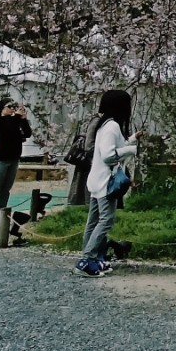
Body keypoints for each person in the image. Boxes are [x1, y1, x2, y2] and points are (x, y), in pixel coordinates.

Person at [75, 88, 139, 277]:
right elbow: (109, 156)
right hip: (105, 182)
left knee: (93, 221)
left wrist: (132, 140)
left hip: (96, 179)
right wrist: (131, 150)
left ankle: (92, 259)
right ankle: (87, 260)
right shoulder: (112, 126)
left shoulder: (106, 125)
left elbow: (112, 147)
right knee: (106, 220)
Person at [0, 98, 35, 232]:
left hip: (14, 159)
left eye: (14, 107)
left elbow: (27, 133)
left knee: (6, 190)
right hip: (0, 160)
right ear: (2, 109)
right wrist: (15, 118)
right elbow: (5, 131)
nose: (13, 109)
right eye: (10, 106)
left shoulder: (16, 121)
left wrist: (23, 119)